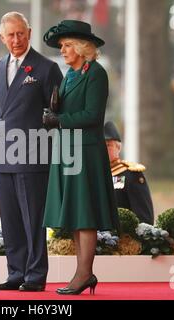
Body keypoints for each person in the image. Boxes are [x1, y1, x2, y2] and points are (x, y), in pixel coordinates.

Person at [42, 20, 119, 295]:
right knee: (75, 213)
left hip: (85, 150)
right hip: (68, 149)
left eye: (65, 46)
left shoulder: (96, 73)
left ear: (80, 47)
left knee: (84, 214)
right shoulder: (71, 75)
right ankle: (83, 273)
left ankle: (84, 274)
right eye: (61, 46)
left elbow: (93, 116)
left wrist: (59, 119)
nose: (62, 51)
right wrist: (52, 111)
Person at [0, 12, 63, 292]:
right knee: (10, 219)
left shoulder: (46, 68)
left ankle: (35, 275)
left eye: (21, 33)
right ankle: (16, 272)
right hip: (1, 155)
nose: (16, 40)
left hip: (32, 156)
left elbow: (57, 114)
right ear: (2, 37)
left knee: (33, 219)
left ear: (29, 33)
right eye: (11, 35)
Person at [104, 121, 154, 224]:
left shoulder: (130, 175)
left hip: (125, 237)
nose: (103, 149)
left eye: (108, 145)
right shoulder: (93, 176)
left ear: (118, 148)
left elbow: (144, 217)